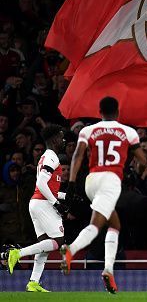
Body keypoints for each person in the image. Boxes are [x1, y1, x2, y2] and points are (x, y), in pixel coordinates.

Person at [60, 96, 147, 294]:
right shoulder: (128, 132)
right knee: (97, 225)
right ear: (118, 113)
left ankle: (108, 271)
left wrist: (72, 182)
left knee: (114, 224)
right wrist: (138, 165)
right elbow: (142, 160)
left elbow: (78, 155)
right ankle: (71, 250)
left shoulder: (87, 130)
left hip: (91, 181)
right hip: (111, 180)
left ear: (100, 112)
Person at [3, 125, 68, 292]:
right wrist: (56, 203)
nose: (63, 140)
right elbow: (40, 184)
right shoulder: (52, 157)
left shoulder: (46, 157)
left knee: (45, 244)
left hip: (37, 203)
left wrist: (64, 196)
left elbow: (45, 187)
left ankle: (33, 282)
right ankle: (17, 253)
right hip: (43, 204)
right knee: (57, 242)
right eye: (61, 137)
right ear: (54, 139)